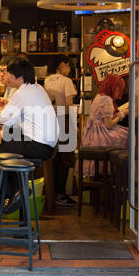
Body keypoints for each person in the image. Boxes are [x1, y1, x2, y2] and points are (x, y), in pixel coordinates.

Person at [0, 57, 59, 214]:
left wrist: (6, 108)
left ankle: (8, 197)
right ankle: (17, 192)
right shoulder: (37, 88)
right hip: (49, 147)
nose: (7, 77)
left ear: (18, 75)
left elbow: (4, 120)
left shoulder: (21, 93)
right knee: (5, 149)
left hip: (37, 146)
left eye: (9, 73)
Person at [78, 74, 129, 177]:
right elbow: (109, 125)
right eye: (118, 88)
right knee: (129, 137)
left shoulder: (99, 96)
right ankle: (121, 176)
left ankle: (115, 177)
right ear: (113, 87)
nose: (119, 92)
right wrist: (122, 114)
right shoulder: (107, 100)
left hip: (92, 136)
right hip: (101, 135)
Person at [44, 54, 78, 206]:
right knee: (65, 159)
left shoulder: (47, 80)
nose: (69, 68)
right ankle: (61, 195)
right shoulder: (67, 81)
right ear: (62, 65)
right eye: (68, 65)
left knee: (54, 157)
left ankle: (52, 193)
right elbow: (69, 104)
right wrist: (74, 125)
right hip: (64, 120)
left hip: (50, 120)